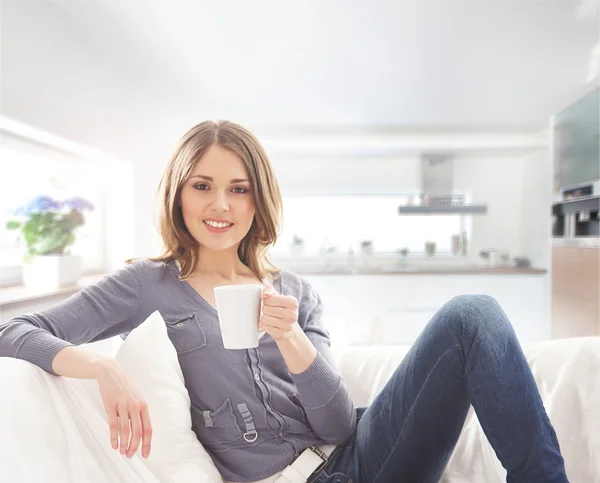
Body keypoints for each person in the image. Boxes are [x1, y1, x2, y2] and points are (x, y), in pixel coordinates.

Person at [0, 120, 568, 483]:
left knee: (472, 314)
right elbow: (13, 329)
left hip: (365, 452)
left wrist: (292, 339)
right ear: (178, 194)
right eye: (201, 185)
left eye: (237, 188)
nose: (219, 204)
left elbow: (340, 425)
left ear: (257, 199)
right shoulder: (148, 284)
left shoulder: (296, 291)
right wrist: (100, 365)